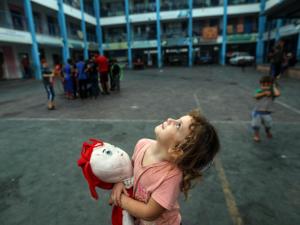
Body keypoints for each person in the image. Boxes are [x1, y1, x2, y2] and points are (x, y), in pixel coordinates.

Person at [110, 109, 220, 225]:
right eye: (177, 119)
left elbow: (149, 213)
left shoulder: (170, 177)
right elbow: (130, 172)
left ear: (177, 150)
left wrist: (120, 199)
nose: (170, 119)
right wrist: (122, 182)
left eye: (178, 125)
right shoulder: (142, 144)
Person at [251, 76, 281, 142]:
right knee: (256, 125)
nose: (265, 86)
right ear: (261, 84)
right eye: (263, 84)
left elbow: (278, 94)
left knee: (268, 125)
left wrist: (273, 87)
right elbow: (255, 96)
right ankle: (256, 135)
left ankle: (267, 131)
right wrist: (264, 93)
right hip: (257, 112)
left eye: (268, 84)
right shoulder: (259, 90)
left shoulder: (272, 92)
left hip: (267, 113)